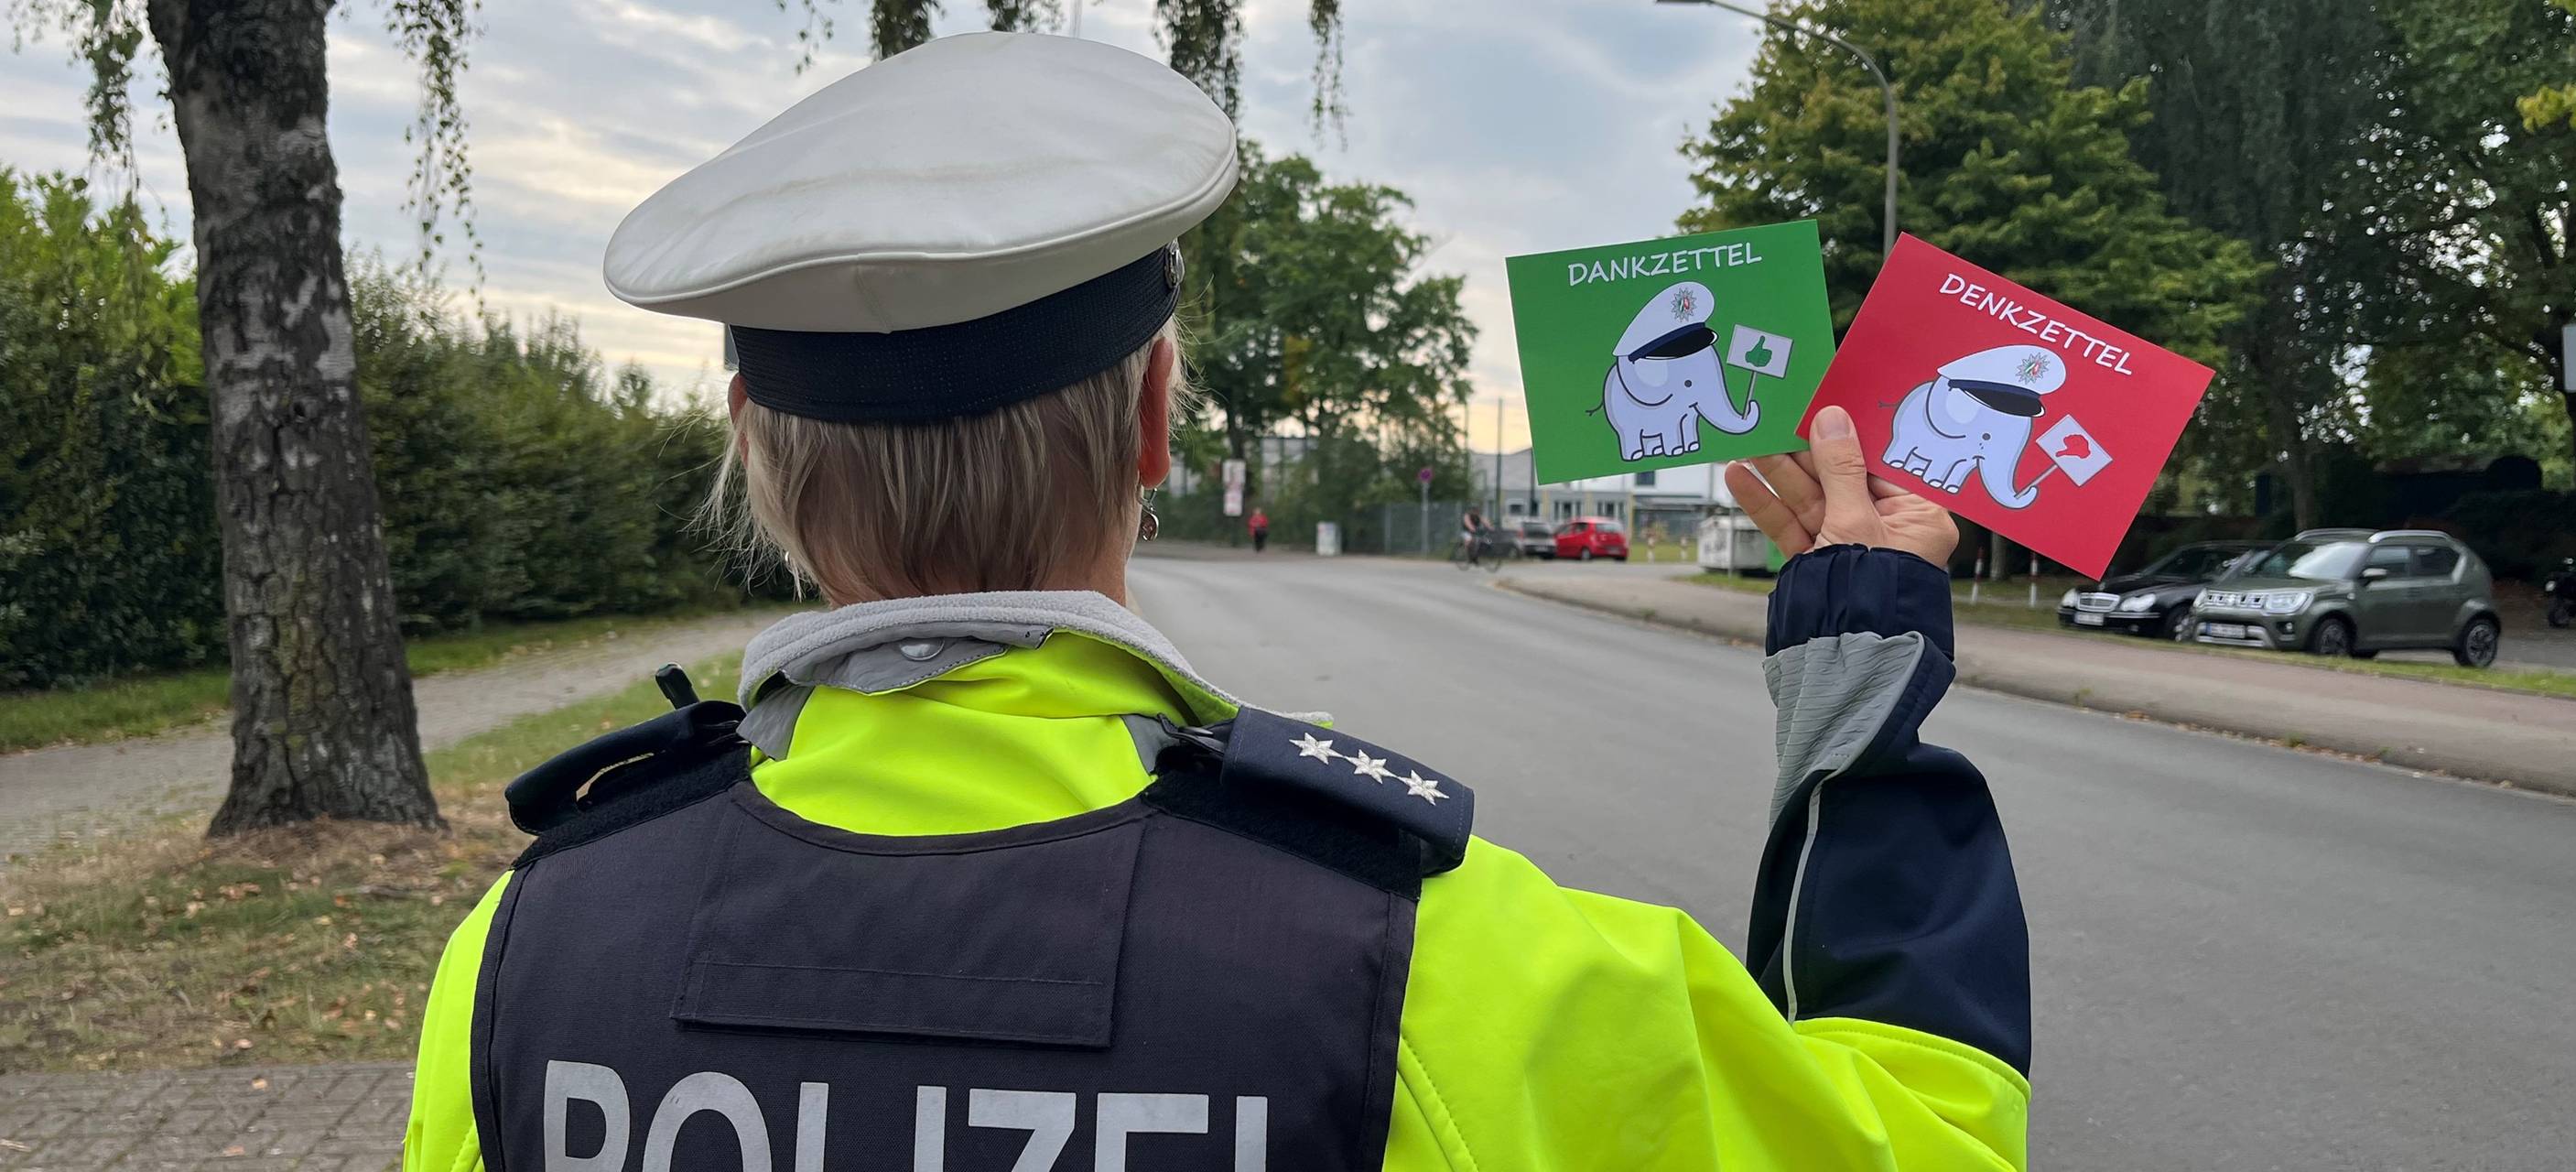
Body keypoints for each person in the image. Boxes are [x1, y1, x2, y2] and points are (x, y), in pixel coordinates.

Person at [403, 31, 2029, 1171]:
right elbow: (1920, 1135)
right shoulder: (1425, 953)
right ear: (1156, 422)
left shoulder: (529, 951)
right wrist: (1857, 703)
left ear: (753, 443)